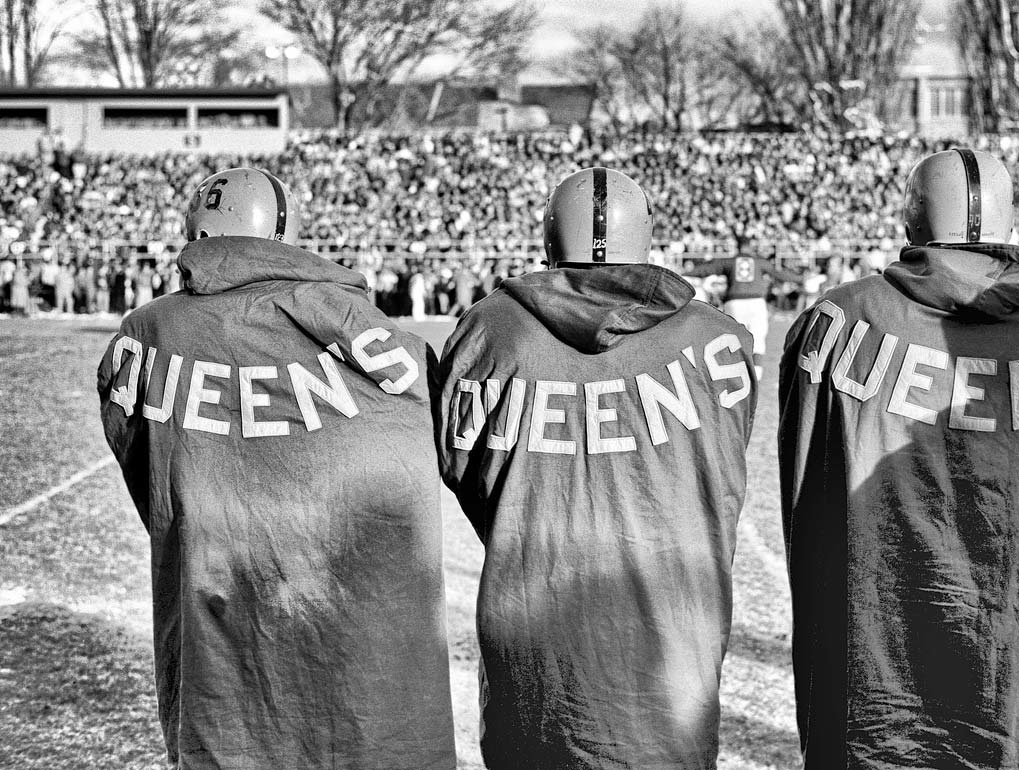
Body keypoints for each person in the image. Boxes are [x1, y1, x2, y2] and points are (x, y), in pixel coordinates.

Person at [97, 167, 455, 770]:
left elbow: (153, 486)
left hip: (220, 635)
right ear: (284, 233)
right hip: (359, 652)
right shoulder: (373, 333)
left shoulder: (147, 334)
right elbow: (439, 437)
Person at [778, 148, 1019, 770]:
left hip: (870, 662)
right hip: (1006, 655)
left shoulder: (836, 320)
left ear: (912, 221)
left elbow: (803, 474)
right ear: (1012, 225)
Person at [438, 166, 758, 770]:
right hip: (672, 643)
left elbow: (466, 471)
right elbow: (719, 471)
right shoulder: (719, 339)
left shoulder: (487, 330)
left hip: (534, 639)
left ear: (550, 238)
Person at [686, 237, 805, 380]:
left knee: (733, 339)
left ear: (738, 247)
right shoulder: (759, 262)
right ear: (750, 247)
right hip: (756, 302)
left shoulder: (729, 261)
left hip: (734, 302)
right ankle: (756, 376)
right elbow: (779, 274)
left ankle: (732, 375)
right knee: (758, 338)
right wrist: (801, 279)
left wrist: (685, 272)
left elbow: (707, 268)